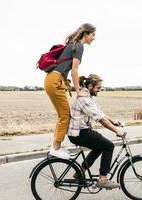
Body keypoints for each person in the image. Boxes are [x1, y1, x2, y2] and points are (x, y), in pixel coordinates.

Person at [44, 23, 96, 159]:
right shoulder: (79, 46)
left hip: (53, 80)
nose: (94, 38)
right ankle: (56, 147)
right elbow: (74, 71)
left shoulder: (74, 44)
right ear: (86, 34)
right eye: (93, 35)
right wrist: (78, 91)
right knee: (65, 115)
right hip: (55, 81)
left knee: (63, 115)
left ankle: (56, 146)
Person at [68, 74, 126, 189]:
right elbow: (100, 119)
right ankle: (103, 180)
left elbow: (100, 112)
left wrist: (113, 121)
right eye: (98, 88)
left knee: (99, 146)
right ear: (90, 86)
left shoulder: (89, 96)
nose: (100, 90)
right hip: (79, 133)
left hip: (82, 131)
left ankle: (80, 172)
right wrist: (116, 131)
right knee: (108, 146)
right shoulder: (84, 99)